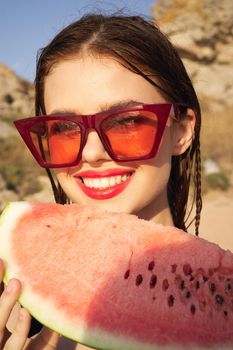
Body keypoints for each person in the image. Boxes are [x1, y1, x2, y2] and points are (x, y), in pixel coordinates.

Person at [0, 12, 202, 349]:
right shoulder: (23, 313)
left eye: (126, 122)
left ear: (181, 131)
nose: (91, 153)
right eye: (63, 128)